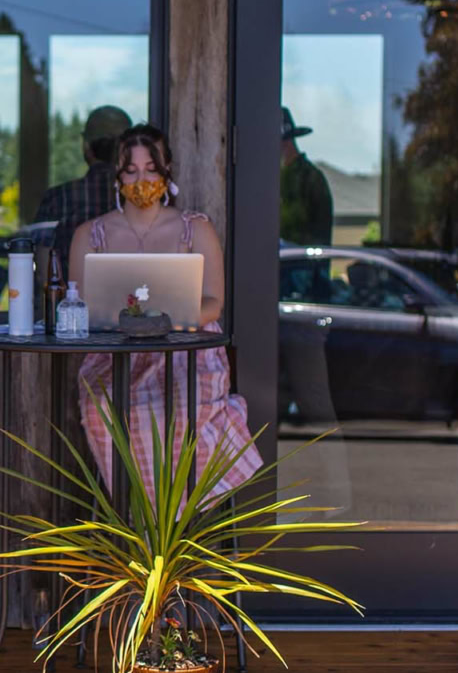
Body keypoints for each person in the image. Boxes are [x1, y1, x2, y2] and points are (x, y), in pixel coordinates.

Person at [67, 124, 261, 503]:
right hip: (115, 355)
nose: (142, 179)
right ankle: (133, 515)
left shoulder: (196, 229)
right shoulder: (90, 235)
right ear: (118, 176)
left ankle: (170, 526)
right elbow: (81, 308)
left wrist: (168, 322)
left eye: (151, 169)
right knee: (103, 408)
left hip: (188, 351)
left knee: (177, 412)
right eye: (131, 170)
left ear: (167, 170)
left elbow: (213, 302)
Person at [37, 105, 133, 267]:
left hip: (70, 292)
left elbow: (43, 266)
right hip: (131, 292)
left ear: (86, 146)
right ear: (128, 150)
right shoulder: (138, 199)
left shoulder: (58, 199)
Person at [278, 107, 333, 246]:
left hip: (302, 263)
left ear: (286, 142)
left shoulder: (311, 178)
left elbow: (320, 233)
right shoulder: (272, 177)